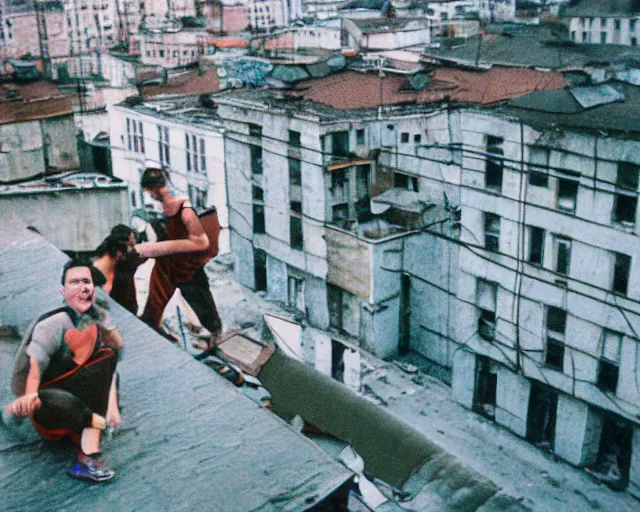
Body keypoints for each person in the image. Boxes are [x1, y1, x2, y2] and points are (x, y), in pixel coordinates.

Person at [4, 258, 123, 482]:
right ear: (64, 290)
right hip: (51, 401)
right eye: (75, 282)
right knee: (62, 403)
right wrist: (29, 396)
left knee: (106, 362)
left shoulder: (97, 321)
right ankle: (84, 458)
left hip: (79, 391)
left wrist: (113, 408)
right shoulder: (53, 325)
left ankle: (89, 437)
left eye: (86, 282)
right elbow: (35, 368)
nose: (82, 287)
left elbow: (109, 369)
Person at [135, 166, 222, 349]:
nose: (149, 196)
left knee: (200, 300)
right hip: (171, 265)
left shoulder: (185, 210)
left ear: (154, 188)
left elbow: (201, 243)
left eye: (149, 191)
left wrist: (160, 248)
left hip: (188, 267)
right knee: (156, 301)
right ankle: (152, 330)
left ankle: (214, 339)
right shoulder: (164, 209)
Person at [93, 225, 144, 315]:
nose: (133, 250)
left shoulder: (123, 275)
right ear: (119, 251)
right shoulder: (89, 270)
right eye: (131, 246)